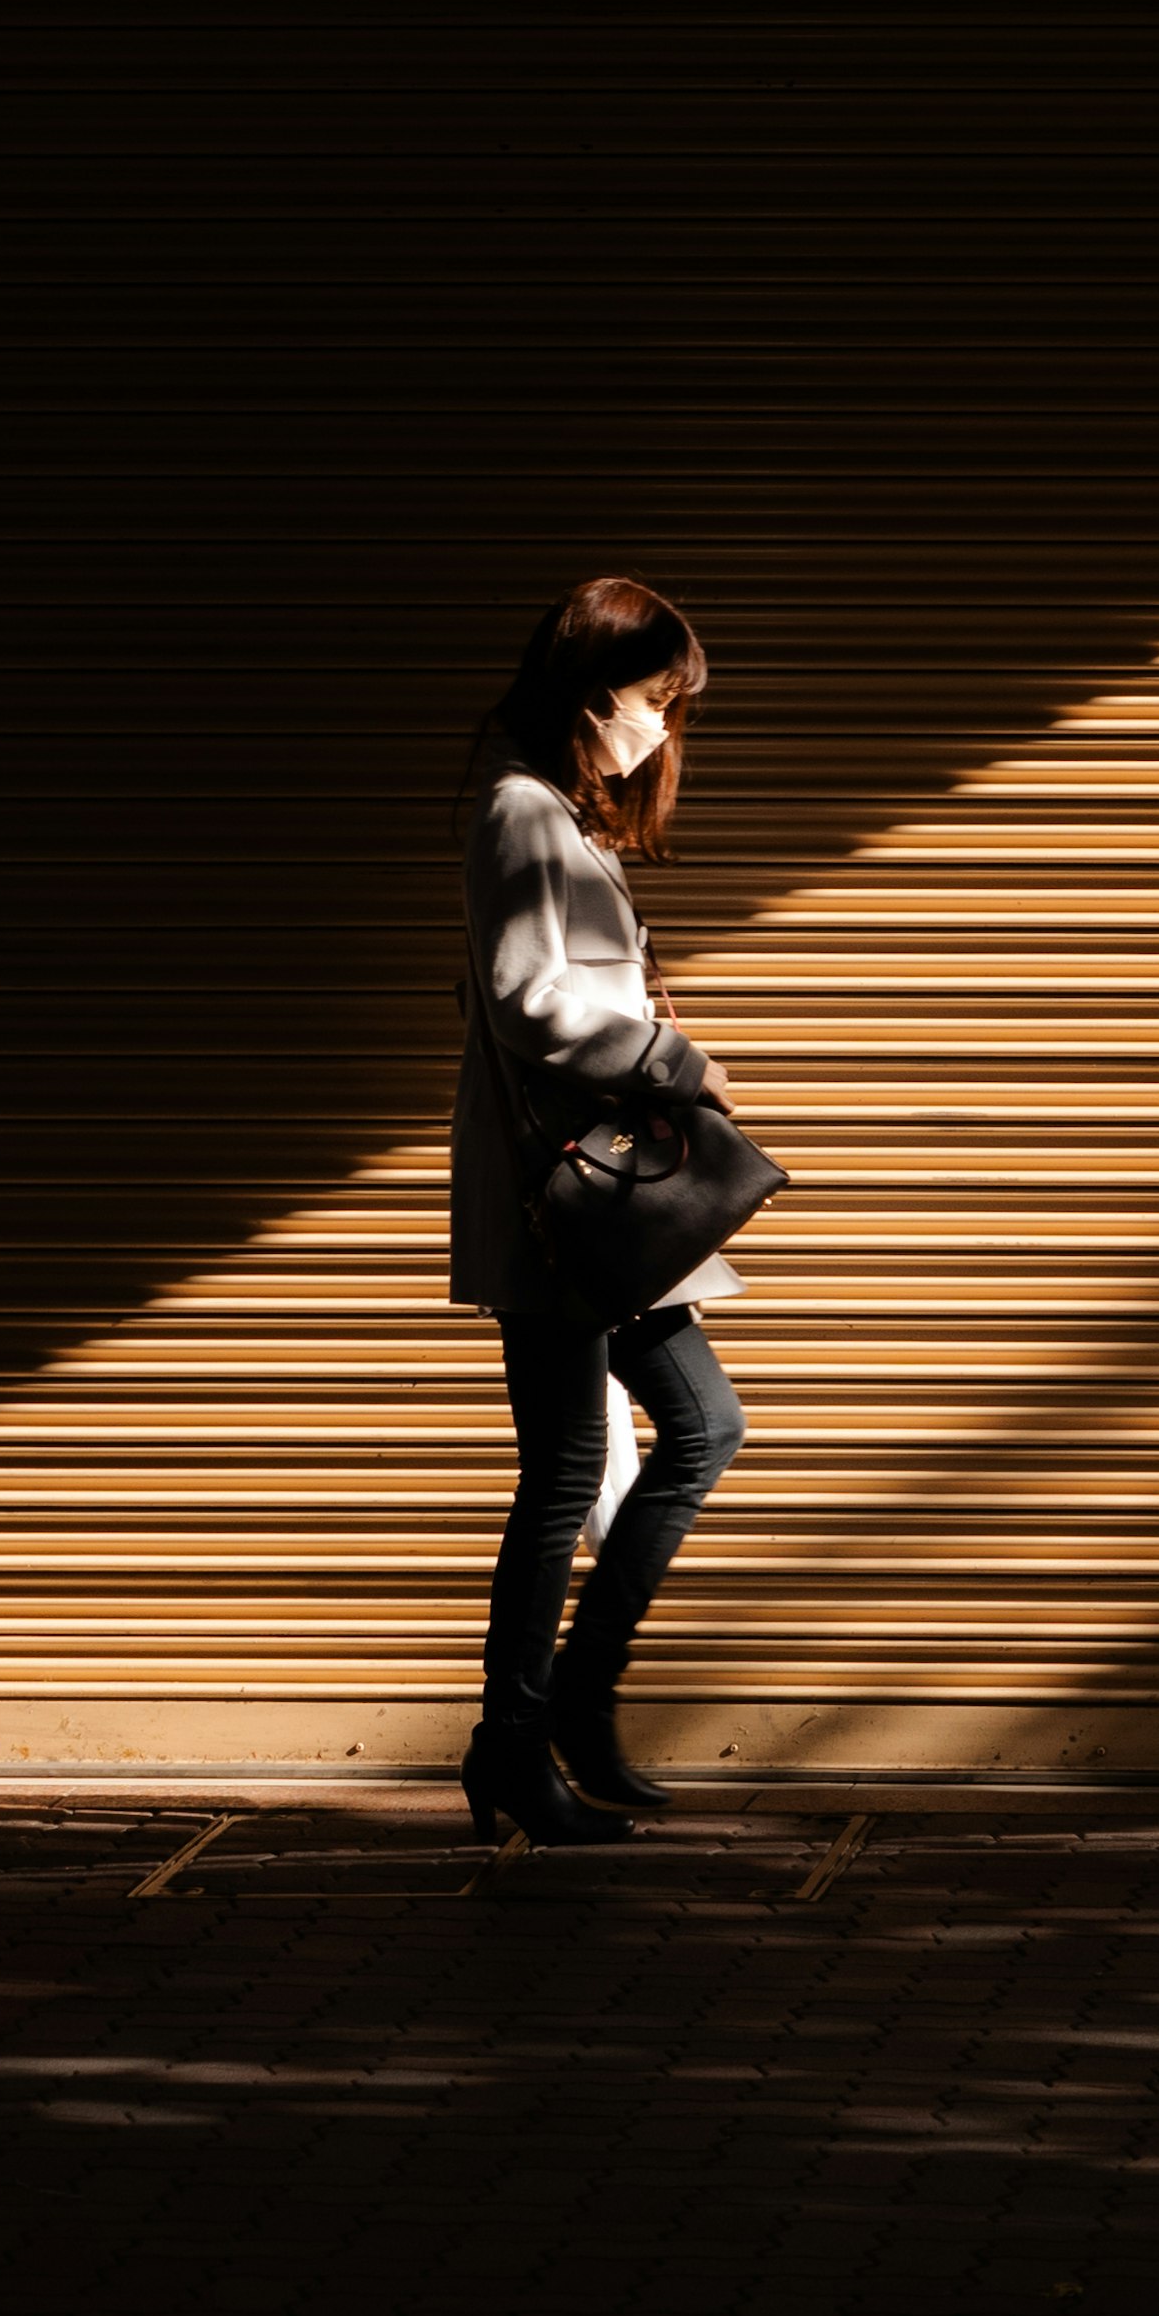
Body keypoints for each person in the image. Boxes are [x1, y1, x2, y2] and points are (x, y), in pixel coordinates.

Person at [451, 575, 750, 1846]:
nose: (658, 733)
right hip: (570, 1205)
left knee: (700, 1426)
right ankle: (517, 1740)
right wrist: (677, 1061)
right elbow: (530, 1001)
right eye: (649, 704)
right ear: (591, 694)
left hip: (606, 1205)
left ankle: (568, 1707)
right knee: (568, 1467)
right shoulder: (521, 809)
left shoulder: (552, 811)